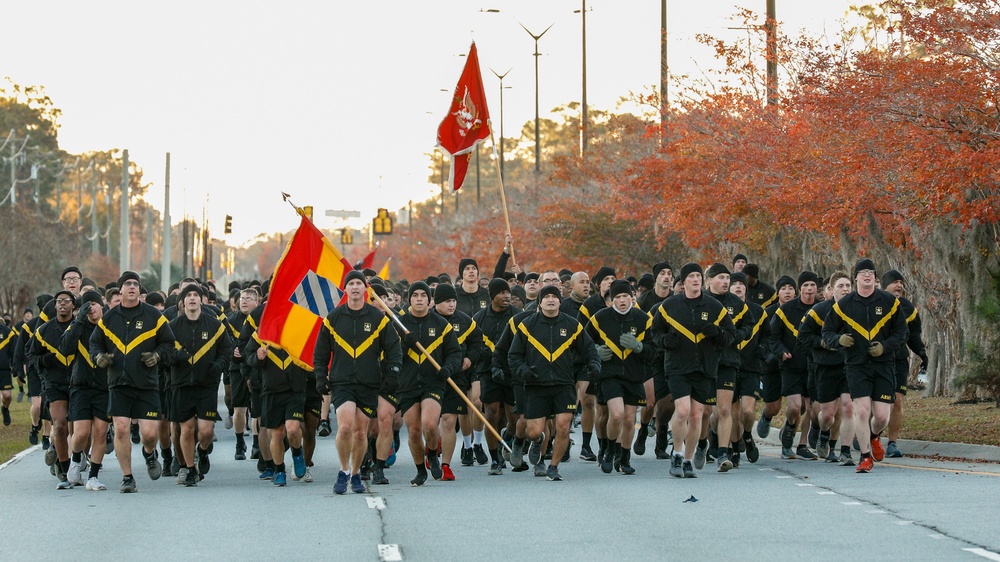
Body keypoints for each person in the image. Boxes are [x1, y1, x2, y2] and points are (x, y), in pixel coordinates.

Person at [313, 270, 402, 492]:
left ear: (365, 289)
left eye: (358, 284)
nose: (355, 287)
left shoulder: (377, 318)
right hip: (342, 382)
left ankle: (355, 474)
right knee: (344, 427)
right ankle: (343, 471)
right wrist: (320, 376)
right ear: (346, 289)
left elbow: (394, 348)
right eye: (351, 283)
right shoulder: (333, 318)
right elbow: (321, 352)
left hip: (369, 382)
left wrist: (392, 373)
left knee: (361, 432)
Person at [90, 271, 176, 493]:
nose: (131, 287)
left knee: (149, 434)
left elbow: (168, 344)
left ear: (139, 290)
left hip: (147, 383)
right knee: (120, 429)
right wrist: (99, 357)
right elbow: (95, 344)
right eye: (127, 284)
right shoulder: (108, 318)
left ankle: (149, 454)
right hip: (118, 383)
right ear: (120, 290)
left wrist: (157, 356)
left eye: (135, 284)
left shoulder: (154, 316)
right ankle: (127, 477)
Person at [822, 259, 909, 473]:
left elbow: (901, 333)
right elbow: (827, 332)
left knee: (881, 416)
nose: (867, 275)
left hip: (884, 365)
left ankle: (874, 436)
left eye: (871, 272)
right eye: (863, 272)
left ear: (875, 278)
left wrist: (885, 347)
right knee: (862, 411)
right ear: (856, 278)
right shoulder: (844, 305)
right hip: (856, 365)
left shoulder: (890, 302)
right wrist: (839, 340)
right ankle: (865, 456)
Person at [650, 263, 736, 478]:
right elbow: (655, 331)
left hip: (706, 367)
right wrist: (663, 340)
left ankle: (688, 460)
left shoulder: (715, 307)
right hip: (678, 366)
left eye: (698, 276)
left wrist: (716, 332)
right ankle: (676, 454)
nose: (696, 279)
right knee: (682, 411)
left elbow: (730, 335)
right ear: (684, 281)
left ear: (703, 280)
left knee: (697, 415)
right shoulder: (669, 306)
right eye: (691, 276)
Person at [509, 285, 601, 481]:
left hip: (564, 384)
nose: (551, 300)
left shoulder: (572, 325)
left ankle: (553, 466)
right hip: (536, 385)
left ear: (560, 301)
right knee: (534, 431)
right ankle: (537, 442)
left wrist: (594, 363)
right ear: (539, 302)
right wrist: (524, 371)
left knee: (563, 426)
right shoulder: (527, 326)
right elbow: (514, 355)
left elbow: (589, 349)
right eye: (547, 297)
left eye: (554, 297)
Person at [395, 281, 463, 486]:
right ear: (409, 300)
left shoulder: (442, 325)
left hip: (433, 383)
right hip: (407, 384)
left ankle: (432, 454)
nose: (419, 299)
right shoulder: (399, 324)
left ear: (430, 300)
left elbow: (454, 352)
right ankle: (419, 470)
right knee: (414, 430)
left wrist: (448, 368)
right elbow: (388, 354)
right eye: (415, 295)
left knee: (430, 424)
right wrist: (403, 345)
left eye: (423, 296)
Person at [165, 284, 233, 486]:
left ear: (201, 300)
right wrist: (176, 356)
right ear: (182, 301)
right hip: (181, 384)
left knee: (205, 431)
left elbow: (226, 351)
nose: (192, 298)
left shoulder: (214, 325)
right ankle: (189, 469)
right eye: (189, 295)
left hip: (207, 385)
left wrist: (218, 365)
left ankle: (202, 452)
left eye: (196, 295)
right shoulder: (173, 327)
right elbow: (164, 353)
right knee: (186, 430)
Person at [585, 279, 652, 474]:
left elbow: (655, 350)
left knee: (630, 420)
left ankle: (624, 457)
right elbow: (584, 345)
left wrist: (640, 347)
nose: (622, 300)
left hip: (634, 375)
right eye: (617, 297)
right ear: (611, 300)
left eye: (625, 296)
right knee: (616, 414)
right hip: (609, 375)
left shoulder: (644, 319)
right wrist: (596, 351)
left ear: (632, 297)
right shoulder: (600, 318)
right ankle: (609, 450)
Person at [798, 271, 855, 464]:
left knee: (847, 408)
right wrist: (824, 343)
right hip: (825, 367)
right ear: (831, 290)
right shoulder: (819, 310)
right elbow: (803, 336)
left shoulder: (858, 309)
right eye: (841, 286)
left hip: (850, 366)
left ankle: (843, 450)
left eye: (848, 286)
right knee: (828, 414)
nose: (845, 289)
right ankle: (823, 432)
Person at [58, 291, 112, 490]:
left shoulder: (109, 327)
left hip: (104, 387)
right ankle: (77, 458)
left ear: (102, 306)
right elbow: (64, 348)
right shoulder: (77, 326)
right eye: (86, 306)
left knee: (100, 432)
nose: (91, 309)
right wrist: (79, 321)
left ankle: (93, 476)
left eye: (94, 304)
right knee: (80, 434)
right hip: (80, 386)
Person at [433, 282, 487, 478]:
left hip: (456, 377)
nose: (452, 305)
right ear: (437, 302)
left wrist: (469, 358)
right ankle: (432, 449)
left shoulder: (465, 322)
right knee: (430, 424)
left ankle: (446, 465)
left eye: (454, 300)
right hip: (430, 379)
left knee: (449, 421)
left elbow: (477, 341)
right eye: (447, 301)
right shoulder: (427, 320)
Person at [29, 290, 76, 488]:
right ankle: (64, 470)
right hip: (54, 384)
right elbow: (31, 357)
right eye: (59, 301)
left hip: (80, 383)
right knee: (60, 425)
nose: (63, 304)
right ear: (54, 306)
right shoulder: (44, 331)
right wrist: (45, 361)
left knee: (80, 431)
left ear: (73, 305)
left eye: (67, 301)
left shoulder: (81, 327)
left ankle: (79, 461)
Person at [771, 271, 821, 460]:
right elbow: (772, 336)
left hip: (813, 365)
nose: (809, 289)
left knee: (812, 409)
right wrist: (781, 351)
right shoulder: (785, 310)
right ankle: (789, 430)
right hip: (791, 365)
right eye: (806, 286)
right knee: (794, 407)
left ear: (817, 288)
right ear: (800, 288)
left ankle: (802, 445)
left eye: (812, 286)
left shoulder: (821, 308)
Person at [470, 279, 517, 475]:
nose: (507, 296)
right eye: (502, 292)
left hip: (512, 371)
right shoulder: (479, 318)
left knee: (513, 418)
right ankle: (495, 459)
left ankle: (509, 436)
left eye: (508, 292)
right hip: (488, 372)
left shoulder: (518, 316)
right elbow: (473, 344)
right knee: (491, 414)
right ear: (492, 296)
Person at [880, 270, 928, 458]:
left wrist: (922, 353)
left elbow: (914, 336)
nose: (899, 286)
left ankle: (892, 443)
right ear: (885, 286)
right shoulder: (875, 303)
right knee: (878, 403)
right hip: (878, 360)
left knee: (897, 401)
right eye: (894, 282)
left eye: (901, 282)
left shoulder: (907, 307)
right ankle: (868, 435)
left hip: (899, 359)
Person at [728, 271, 767, 464]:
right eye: (734, 283)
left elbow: (768, 336)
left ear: (746, 287)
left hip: (751, 367)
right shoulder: (722, 309)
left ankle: (748, 436)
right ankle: (734, 448)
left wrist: (762, 350)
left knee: (748, 411)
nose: (738, 286)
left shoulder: (758, 311)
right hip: (728, 367)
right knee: (734, 412)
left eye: (741, 284)